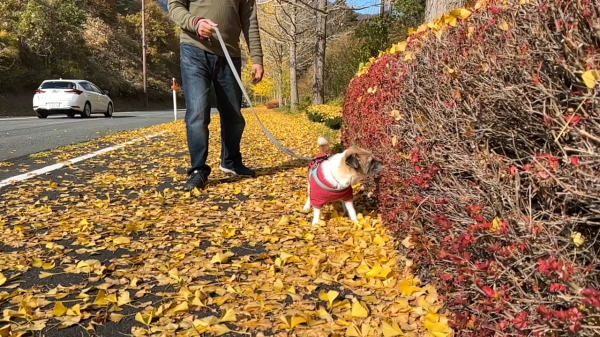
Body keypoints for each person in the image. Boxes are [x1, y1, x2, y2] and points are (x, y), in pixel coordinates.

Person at [168, 0, 264, 191]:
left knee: (234, 115)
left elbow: (249, 20)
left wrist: (257, 58)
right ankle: (198, 170)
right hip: (194, 49)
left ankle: (230, 161)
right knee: (197, 112)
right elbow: (175, 6)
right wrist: (195, 23)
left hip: (230, 54)